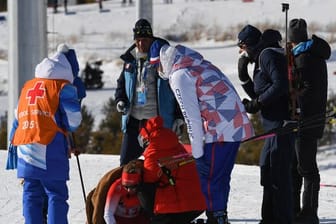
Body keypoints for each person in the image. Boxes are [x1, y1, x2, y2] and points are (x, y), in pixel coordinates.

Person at [157, 44, 254, 224]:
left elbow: (191, 117)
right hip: (233, 125)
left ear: (165, 61)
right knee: (220, 177)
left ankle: (215, 217)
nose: (158, 70)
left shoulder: (179, 75)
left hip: (220, 129)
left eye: (158, 65)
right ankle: (219, 216)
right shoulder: (197, 64)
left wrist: (197, 151)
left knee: (209, 177)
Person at [8, 45, 82, 224]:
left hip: (25, 144)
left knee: (32, 193)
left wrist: (12, 143)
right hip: (49, 145)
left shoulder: (29, 86)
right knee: (55, 193)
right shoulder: (62, 87)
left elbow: (17, 116)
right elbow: (73, 121)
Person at [237, 25, 294, 223]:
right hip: (272, 125)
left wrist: (258, 103)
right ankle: (269, 217)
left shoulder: (267, 55)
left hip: (281, 124)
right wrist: (244, 79)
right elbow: (260, 93)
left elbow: (281, 85)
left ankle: (283, 219)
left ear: (250, 44)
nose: (242, 52)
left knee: (278, 175)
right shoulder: (262, 56)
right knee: (267, 171)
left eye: (242, 47)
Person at [115, 18, 183, 166]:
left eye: (144, 40)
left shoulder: (164, 59)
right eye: (138, 40)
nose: (141, 44)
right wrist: (120, 100)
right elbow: (121, 83)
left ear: (151, 39)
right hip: (133, 121)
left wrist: (179, 117)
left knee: (158, 165)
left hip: (157, 122)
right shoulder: (130, 59)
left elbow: (177, 89)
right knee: (125, 165)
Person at [288, 18, 331, 224]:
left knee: (307, 169)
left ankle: (309, 213)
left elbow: (307, 91)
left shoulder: (304, 58)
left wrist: (292, 96)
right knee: (300, 167)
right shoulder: (313, 54)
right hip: (312, 119)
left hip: (307, 120)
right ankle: (298, 210)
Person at [138, 116, 206, 224]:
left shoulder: (153, 150)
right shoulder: (174, 142)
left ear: (145, 137)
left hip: (179, 207)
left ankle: (156, 220)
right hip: (199, 202)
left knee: (142, 189)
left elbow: (149, 180)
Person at [104, 160, 150, 224]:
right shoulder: (117, 187)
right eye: (126, 186)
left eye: (133, 186)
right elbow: (108, 213)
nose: (129, 190)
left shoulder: (145, 186)